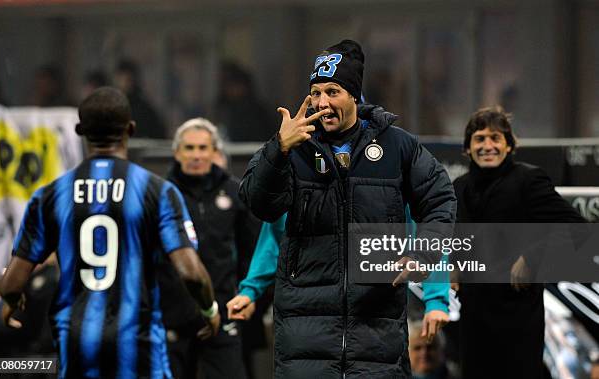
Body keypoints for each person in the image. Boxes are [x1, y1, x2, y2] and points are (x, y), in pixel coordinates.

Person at [238, 39, 456, 378]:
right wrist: (277, 150)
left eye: (333, 91)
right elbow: (260, 205)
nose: (322, 102)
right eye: (316, 92)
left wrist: (424, 255)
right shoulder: (293, 149)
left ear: (354, 95)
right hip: (304, 337)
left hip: (376, 336)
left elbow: (440, 201)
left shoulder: (398, 147)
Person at [0, 87, 220, 379]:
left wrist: (12, 302)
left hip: (75, 343)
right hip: (139, 343)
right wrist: (209, 310)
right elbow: (191, 273)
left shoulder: (50, 195)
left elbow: (11, 283)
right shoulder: (158, 192)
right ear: (130, 129)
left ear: (80, 130)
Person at [452, 106, 587, 379]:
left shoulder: (528, 180)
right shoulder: (460, 186)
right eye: (479, 139)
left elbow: (577, 229)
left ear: (509, 146)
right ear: (468, 148)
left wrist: (532, 258)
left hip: (517, 320)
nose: (487, 146)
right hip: (473, 319)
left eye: (495, 138)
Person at [227, 209, 450, 343]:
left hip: (374, 318)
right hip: (311, 319)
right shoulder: (299, 169)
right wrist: (250, 289)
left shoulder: (388, 165)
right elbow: (275, 238)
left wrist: (436, 299)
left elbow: (427, 234)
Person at [158, 117, 260, 378]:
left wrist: (249, 296)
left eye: (203, 148)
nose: (196, 155)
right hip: (172, 318)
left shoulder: (236, 193)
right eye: (189, 148)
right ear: (176, 152)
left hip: (224, 312)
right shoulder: (159, 195)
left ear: (215, 152)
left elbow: (254, 254)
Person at [114, 59, 166, 139]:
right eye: (121, 79)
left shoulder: (143, 109)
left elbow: (158, 134)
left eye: (128, 80)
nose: (124, 84)